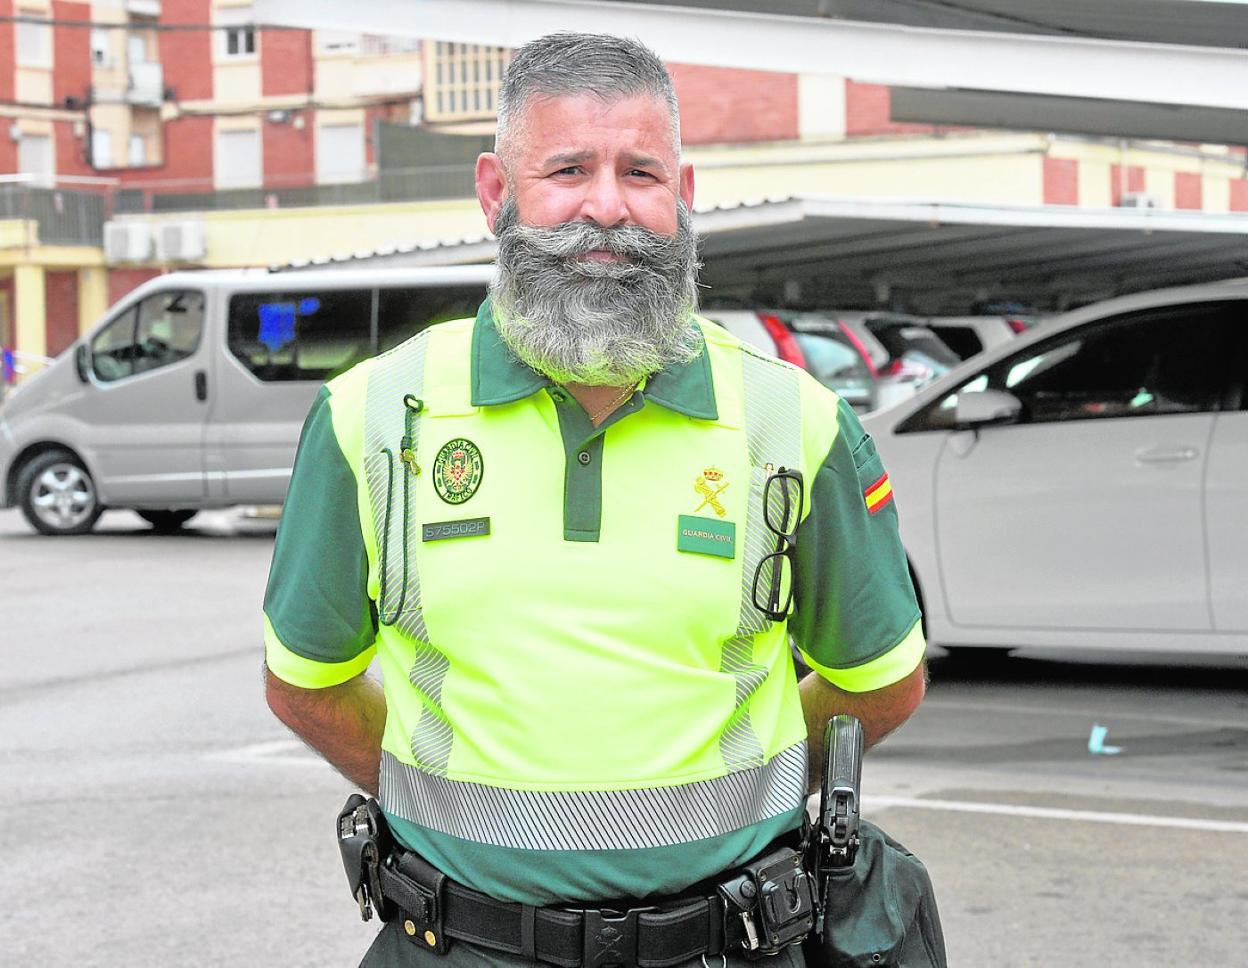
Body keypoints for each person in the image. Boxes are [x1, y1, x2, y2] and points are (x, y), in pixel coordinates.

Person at [262, 32, 927, 968]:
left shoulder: (796, 423)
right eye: (567, 168)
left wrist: (752, 796)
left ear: (684, 196)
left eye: (641, 173)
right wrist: (442, 806)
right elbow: (305, 681)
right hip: (455, 948)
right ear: (498, 193)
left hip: (727, 948)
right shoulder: (371, 418)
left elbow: (881, 681)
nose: (606, 208)